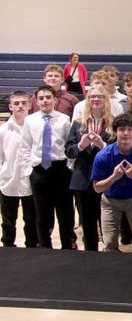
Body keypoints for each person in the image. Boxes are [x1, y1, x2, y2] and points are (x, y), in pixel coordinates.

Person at [19, 85, 75, 249]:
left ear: (55, 99)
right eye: (41, 98)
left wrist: (68, 168)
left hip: (60, 170)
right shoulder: (30, 120)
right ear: (36, 101)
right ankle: (45, 246)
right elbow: (25, 147)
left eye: (48, 97)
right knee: (42, 213)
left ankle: (67, 246)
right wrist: (29, 171)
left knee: (65, 212)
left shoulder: (64, 119)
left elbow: (69, 145)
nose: (45, 101)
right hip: (39, 171)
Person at [91, 113, 132, 254]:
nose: (125, 133)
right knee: (109, 243)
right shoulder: (103, 156)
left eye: (130, 129)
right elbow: (96, 188)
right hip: (110, 201)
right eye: (121, 129)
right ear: (115, 132)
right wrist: (114, 177)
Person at [65, 86, 113, 251]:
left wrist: (103, 146)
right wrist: (80, 145)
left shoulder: (113, 123)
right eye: (92, 96)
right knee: (87, 220)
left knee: (107, 220)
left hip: (106, 178)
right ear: (87, 100)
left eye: (100, 96)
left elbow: (118, 151)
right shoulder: (79, 123)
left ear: (106, 99)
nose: (96, 99)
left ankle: (109, 249)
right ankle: (90, 253)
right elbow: (69, 151)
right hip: (83, 177)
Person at [0, 91, 37, 248]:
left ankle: (32, 247)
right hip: (9, 180)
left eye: (23, 103)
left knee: (31, 220)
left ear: (29, 105)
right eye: (16, 103)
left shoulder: (36, 127)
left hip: (30, 181)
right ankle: (7, 247)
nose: (20, 106)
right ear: (10, 107)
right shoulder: (3, 130)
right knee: (8, 221)